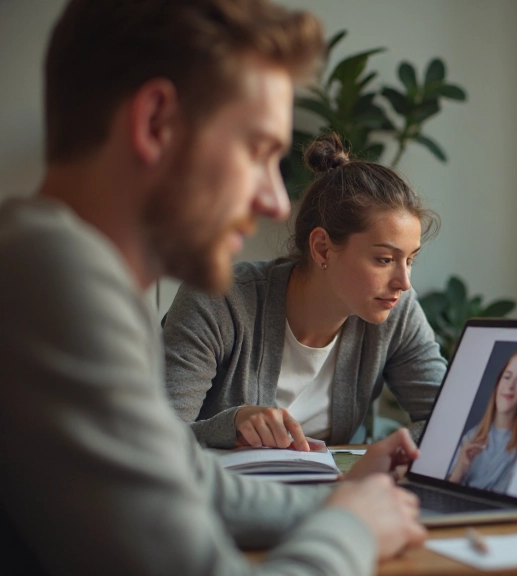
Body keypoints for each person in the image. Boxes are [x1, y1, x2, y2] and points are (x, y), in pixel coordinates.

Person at [0, 1, 428, 574]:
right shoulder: (55, 278)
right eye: (258, 151)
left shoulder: (54, 262)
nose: (274, 202)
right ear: (156, 123)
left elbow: (188, 476)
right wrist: (352, 529)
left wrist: (340, 502)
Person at [162, 131, 446, 451]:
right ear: (322, 248)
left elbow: (453, 422)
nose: (404, 282)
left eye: (410, 260)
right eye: (384, 259)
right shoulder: (218, 301)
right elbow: (154, 439)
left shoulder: (398, 311)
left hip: (336, 483)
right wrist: (232, 425)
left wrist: (385, 449)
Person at [446, 346, 517, 491]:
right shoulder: (471, 437)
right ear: (498, 382)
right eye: (507, 376)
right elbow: (445, 492)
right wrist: (459, 471)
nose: (510, 386)